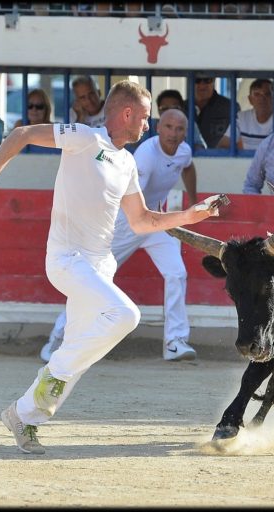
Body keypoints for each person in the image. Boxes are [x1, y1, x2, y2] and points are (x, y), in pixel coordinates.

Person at [0, 80, 223, 455]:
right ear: (127, 114)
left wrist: (190, 216)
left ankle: (23, 416)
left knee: (78, 355)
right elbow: (23, 132)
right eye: (144, 118)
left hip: (99, 264)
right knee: (125, 315)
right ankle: (54, 370)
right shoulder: (84, 137)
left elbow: (141, 220)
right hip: (66, 260)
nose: (147, 126)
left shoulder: (127, 161)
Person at [41, 108, 199, 363]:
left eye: (179, 129)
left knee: (177, 273)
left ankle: (175, 342)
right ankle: (58, 338)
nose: (173, 133)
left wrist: (192, 198)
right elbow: (133, 206)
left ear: (185, 133)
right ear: (159, 128)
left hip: (153, 223)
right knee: (93, 279)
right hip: (126, 224)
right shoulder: (146, 156)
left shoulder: (184, 151)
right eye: (168, 127)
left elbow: (188, 168)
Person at [217, 78, 274, 151]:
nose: (262, 98)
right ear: (250, 99)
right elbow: (223, 146)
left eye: (267, 94)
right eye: (257, 94)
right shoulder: (241, 118)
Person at [194, 73, 240, 148]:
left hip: (221, 158)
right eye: (197, 80)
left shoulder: (230, 107)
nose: (202, 85)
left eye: (207, 80)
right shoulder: (184, 107)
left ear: (214, 80)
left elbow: (238, 139)